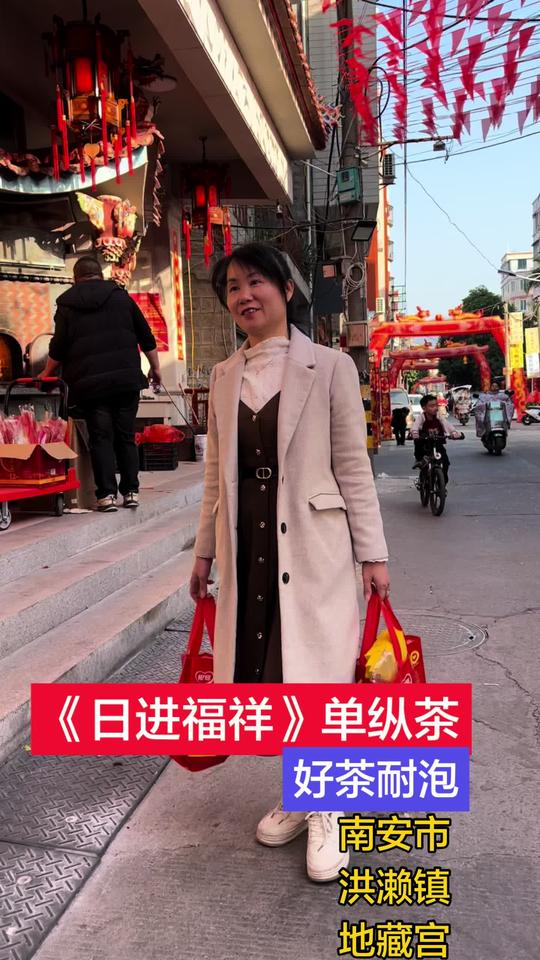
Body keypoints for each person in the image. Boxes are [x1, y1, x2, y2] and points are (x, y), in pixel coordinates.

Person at [189, 243, 389, 883]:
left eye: (256, 282)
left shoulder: (330, 367)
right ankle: (303, 795)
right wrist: (204, 551)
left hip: (312, 547)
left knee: (319, 676)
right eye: (232, 287)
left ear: (285, 290)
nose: (244, 295)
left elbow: (352, 467)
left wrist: (373, 553)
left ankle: (328, 807)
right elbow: (215, 477)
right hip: (248, 549)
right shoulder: (224, 376)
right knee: (277, 674)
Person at [39, 257, 161, 512]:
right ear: (100, 275)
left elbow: (58, 347)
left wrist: (46, 373)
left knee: (101, 437)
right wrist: (155, 368)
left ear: (75, 278)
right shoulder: (121, 297)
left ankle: (106, 496)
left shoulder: (67, 304)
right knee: (126, 436)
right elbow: (146, 337)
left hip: (90, 384)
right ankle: (131, 492)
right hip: (126, 380)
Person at [412, 394, 462, 483]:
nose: (435, 408)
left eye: (436, 405)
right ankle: (419, 461)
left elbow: (447, 425)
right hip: (425, 444)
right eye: (432, 406)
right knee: (419, 446)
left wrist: (454, 433)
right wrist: (414, 434)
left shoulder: (439, 417)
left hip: (437, 443)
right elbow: (415, 427)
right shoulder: (421, 417)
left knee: (445, 462)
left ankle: (442, 484)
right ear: (424, 408)